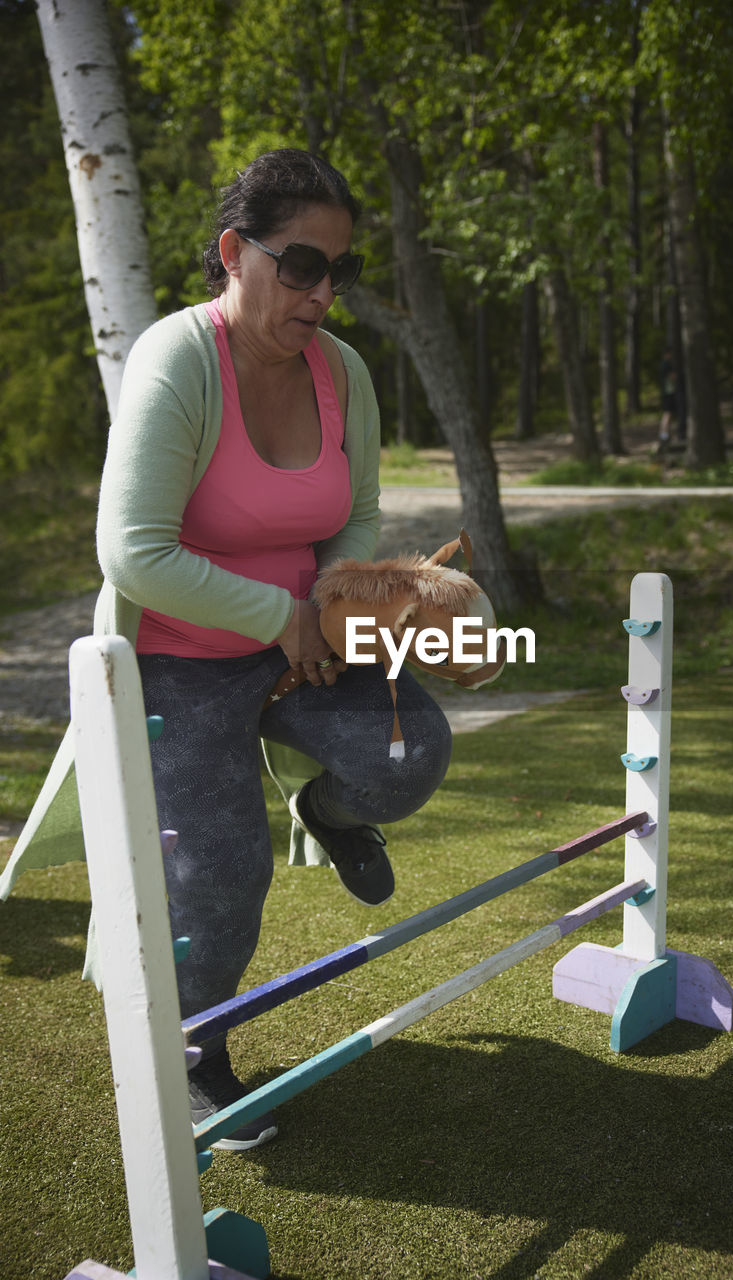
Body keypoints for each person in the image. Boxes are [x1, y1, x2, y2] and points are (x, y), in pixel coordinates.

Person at [13, 149, 454, 1151]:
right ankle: (194, 1049)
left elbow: (362, 509)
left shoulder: (344, 371)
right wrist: (276, 615)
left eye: (336, 270)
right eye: (300, 263)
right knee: (218, 882)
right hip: (176, 659)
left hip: (301, 635)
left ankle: (326, 808)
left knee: (408, 753)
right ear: (233, 253)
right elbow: (130, 551)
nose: (320, 290)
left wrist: (331, 601)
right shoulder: (177, 358)